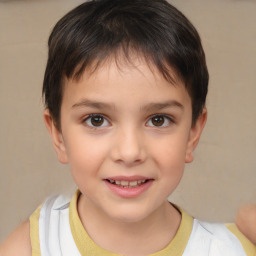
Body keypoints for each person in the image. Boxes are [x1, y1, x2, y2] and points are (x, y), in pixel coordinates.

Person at [0, 0, 255, 255]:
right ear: (58, 135)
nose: (130, 152)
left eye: (158, 120)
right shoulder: (32, 248)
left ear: (192, 133)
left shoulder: (228, 250)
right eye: (96, 120)